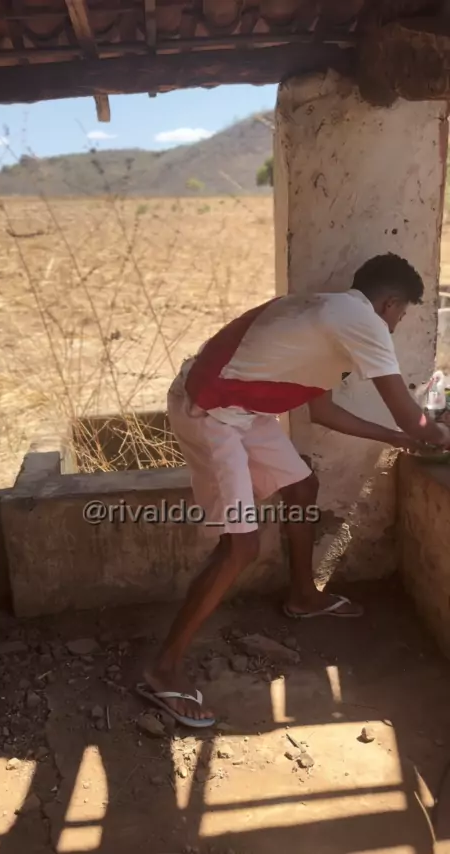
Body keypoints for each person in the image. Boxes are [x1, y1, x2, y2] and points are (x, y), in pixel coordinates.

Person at [137, 253, 450, 727]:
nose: (396, 325)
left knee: (302, 486)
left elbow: (322, 413)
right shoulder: (360, 321)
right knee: (241, 546)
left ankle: (303, 596)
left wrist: (395, 438)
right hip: (210, 411)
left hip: (239, 410)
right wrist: (436, 434)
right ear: (390, 303)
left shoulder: (324, 316)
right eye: (401, 314)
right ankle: (162, 669)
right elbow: (413, 417)